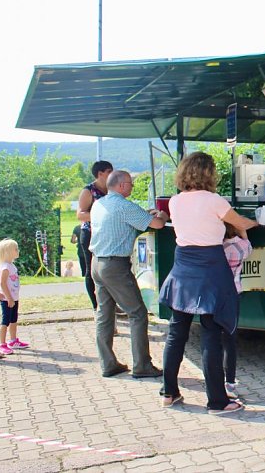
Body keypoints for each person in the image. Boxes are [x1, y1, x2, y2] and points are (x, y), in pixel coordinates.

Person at [159, 152, 258, 415]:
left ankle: (169, 392)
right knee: (211, 334)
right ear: (209, 173)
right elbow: (241, 223)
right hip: (210, 269)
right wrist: (259, 221)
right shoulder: (214, 200)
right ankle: (217, 401)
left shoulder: (175, 201)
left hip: (182, 268)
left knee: (176, 333)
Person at [89, 170, 169, 379]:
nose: (132, 187)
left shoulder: (99, 204)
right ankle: (142, 365)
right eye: (131, 184)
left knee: (104, 314)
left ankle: (108, 364)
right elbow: (158, 224)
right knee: (138, 313)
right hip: (116, 265)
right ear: (122, 185)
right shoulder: (124, 206)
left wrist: (144, 215)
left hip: (97, 262)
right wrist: (161, 215)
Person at [221, 223, 253, 399]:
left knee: (213, 339)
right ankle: (230, 380)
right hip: (234, 292)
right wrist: (243, 229)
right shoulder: (243, 246)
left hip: (216, 293)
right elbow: (249, 246)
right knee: (230, 339)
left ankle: (215, 378)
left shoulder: (217, 247)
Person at [77, 160, 113, 310]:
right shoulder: (88, 191)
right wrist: (100, 215)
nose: (112, 174)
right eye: (109, 171)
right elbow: (80, 215)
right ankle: (96, 305)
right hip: (90, 234)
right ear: (100, 174)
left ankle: (109, 304)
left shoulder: (112, 190)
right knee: (91, 271)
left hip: (108, 234)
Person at [0, 239, 29, 355]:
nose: (17, 251)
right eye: (15, 249)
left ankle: (13, 340)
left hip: (14, 298)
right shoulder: (5, 267)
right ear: (8, 252)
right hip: (7, 299)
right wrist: (8, 297)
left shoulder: (11, 265)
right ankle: (2, 344)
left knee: (14, 319)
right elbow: (2, 283)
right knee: (6, 321)